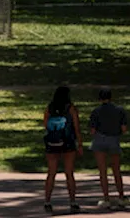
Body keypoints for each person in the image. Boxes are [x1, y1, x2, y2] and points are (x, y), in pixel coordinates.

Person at [42, 85, 82, 213]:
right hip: (68, 143)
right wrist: (79, 144)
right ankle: (73, 202)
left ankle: (47, 201)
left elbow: (46, 126)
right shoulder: (71, 108)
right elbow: (76, 128)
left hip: (52, 143)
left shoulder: (49, 108)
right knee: (69, 173)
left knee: (51, 173)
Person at [89, 88, 130, 209]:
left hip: (99, 140)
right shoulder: (119, 110)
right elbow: (123, 129)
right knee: (116, 170)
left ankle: (106, 198)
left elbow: (92, 130)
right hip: (113, 139)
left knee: (103, 171)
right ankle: (121, 196)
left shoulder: (96, 111)